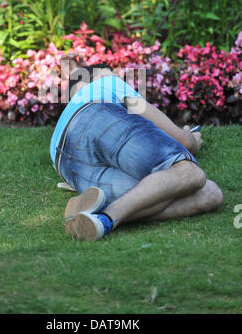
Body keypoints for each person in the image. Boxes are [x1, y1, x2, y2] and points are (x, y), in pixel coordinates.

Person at [50, 60, 223, 241]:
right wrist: (192, 139)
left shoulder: (67, 115)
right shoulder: (107, 82)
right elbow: (184, 141)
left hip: (62, 162)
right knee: (191, 173)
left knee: (210, 194)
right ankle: (108, 216)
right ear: (101, 75)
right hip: (96, 117)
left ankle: (94, 217)